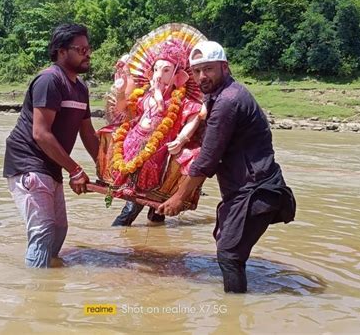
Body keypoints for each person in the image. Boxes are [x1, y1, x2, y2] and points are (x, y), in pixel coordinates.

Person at [158, 41, 296, 293]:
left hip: (256, 190)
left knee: (229, 255)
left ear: (225, 67)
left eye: (208, 69)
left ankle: (234, 314)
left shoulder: (228, 101)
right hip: (249, 188)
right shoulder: (220, 97)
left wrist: (179, 197)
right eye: (196, 71)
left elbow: (208, 159)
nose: (202, 77)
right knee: (229, 247)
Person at [3, 23, 99, 268]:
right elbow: (41, 134)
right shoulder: (49, 80)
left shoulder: (80, 88)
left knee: (59, 230)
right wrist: (76, 170)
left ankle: (48, 281)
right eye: (81, 49)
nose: (88, 54)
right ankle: (37, 298)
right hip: (29, 163)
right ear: (61, 51)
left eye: (89, 49)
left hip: (51, 165)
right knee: (44, 232)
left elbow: (87, 132)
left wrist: (105, 166)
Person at [105, 37, 204, 226]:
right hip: (132, 145)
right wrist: (120, 91)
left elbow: (195, 116)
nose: (159, 75)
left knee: (138, 196)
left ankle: (123, 224)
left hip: (156, 151)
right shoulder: (145, 95)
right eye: (156, 70)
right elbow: (123, 112)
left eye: (166, 70)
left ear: (178, 77)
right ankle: (155, 221)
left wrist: (183, 138)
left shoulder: (179, 101)